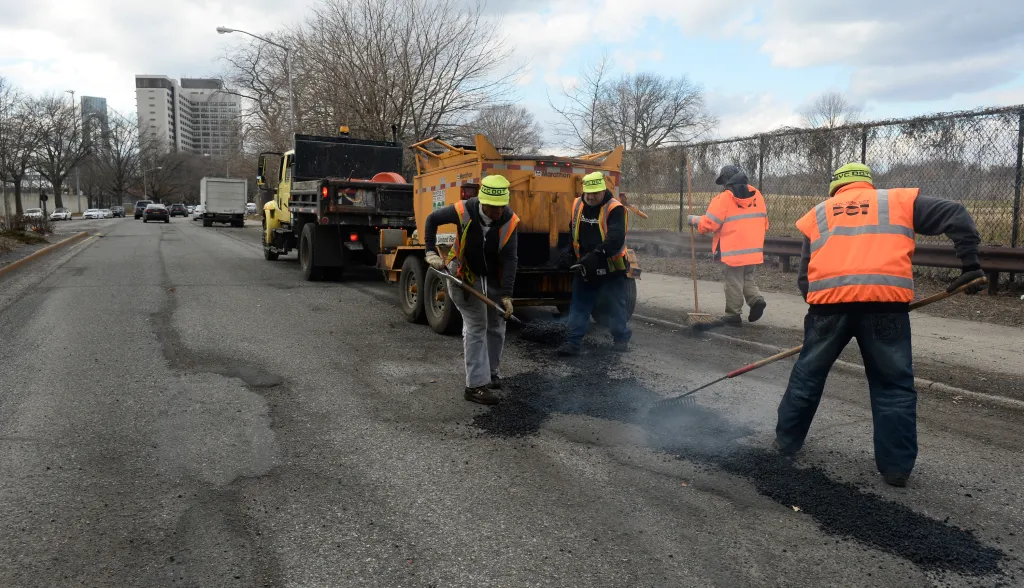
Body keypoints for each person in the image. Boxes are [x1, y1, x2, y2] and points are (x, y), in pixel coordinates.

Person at [775, 162, 985, 487]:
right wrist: (970, 263)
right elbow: (956, 213)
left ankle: (786, 443)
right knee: (892, 385)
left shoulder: (819, 213)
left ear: (835, 187)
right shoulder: (896, 202)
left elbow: (805, 275)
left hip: (829, 306)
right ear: (868, 184)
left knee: (808, 376)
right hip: (885, 305)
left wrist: (819, 317)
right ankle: (895, 469)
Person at [424, 175, 520, 405]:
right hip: (464, 273)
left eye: (502, 206)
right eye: (493, 207)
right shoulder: (464, 209)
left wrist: (506, 295)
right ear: (482, 201)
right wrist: (430, 251)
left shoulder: (510, 220)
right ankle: (476, 386)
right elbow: (431, 219)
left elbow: (510, 259)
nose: (498, 211)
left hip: (493, 276)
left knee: (497, 323)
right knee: (477, 324)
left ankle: (491, 373)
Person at [557, 171, 632, 356]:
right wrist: (568, 253)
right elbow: (572, 230)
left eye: (595, 193)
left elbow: (615, 238)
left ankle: (621, 338)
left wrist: (596, 255)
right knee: (579, 305)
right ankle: (573, 342)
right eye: (587, 193)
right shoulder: (578, 203)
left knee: (615, 305)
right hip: (585, 267)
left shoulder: (615, 208)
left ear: (603, 190)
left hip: (610, 267)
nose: (590, 197)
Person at [687, 165, 769, 327]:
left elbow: (710, 224)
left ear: (726, 181)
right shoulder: (757, 195)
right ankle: (756, 300)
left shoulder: (724, 198)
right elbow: (765, 222)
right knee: (746, 277)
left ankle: (733, 314)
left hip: (732, 249)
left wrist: (694, 220)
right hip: (753, 248)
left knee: (733, 281)